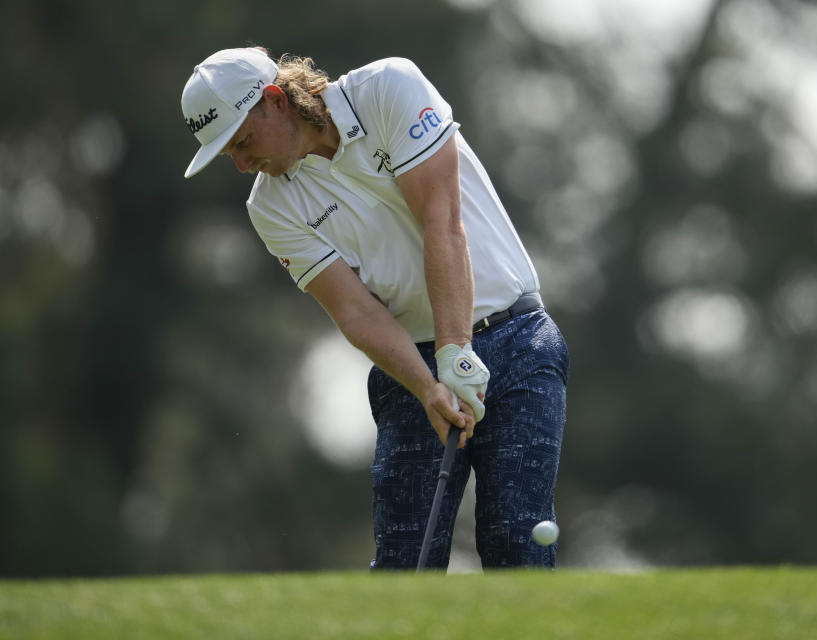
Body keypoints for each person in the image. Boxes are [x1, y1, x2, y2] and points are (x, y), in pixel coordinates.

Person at [179, 47, 568, 570]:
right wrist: (429, 385)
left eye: (244, 142)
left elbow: (442, 217)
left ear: (275, 101)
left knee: (515, 541)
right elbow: (356, 312)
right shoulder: (270, 206)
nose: (244, 163)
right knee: (404, 560)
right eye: (231, 155)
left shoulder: (390, 88)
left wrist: (455, 348)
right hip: (409, 367)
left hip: (516, 339)